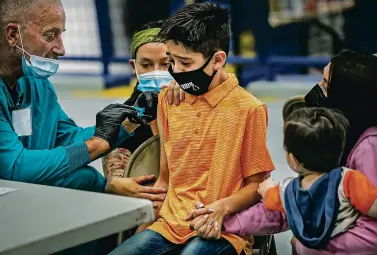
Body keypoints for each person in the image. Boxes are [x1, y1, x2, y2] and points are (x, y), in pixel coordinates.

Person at [108, 2, 275, 255]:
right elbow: (166, 178)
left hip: (223, 227)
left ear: (218, 60)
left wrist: (222, 208)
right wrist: (146, 227)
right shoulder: (168, 99)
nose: (176, 71)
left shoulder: (249, 109)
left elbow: (256, 187)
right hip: (170, 223)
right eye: (172, 61)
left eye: (185, 63)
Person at [188, 50, 377, 254]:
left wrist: (309, 245)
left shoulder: (369, 148)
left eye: (325, 84)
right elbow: (291, 208)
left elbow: (372, 233)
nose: (317, 89)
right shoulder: (333, 138)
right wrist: (224, 222)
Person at [0, 0, 157, 197]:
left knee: (86, 179)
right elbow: (15, 167)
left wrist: (124, 125)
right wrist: (96, 144)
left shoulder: (37, 84)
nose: (61, 49)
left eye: (61, 35)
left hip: (26, 194)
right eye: (50, 35)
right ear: (13, 35)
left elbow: (67, 138)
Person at [258, 107, 377, 249]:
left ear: (293, 161)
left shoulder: (287, 190)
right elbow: (373, 207)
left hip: (309, 246)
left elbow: (270, 199)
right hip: (345, 244)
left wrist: (265, 189)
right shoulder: (349, 180)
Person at [103, 20, 172, 205]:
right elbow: (115, 150)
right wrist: (116, 180)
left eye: (166, 64)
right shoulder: (128, 114)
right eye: (146, 65)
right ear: (134, 67)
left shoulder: (198, 105)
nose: (156, 72)